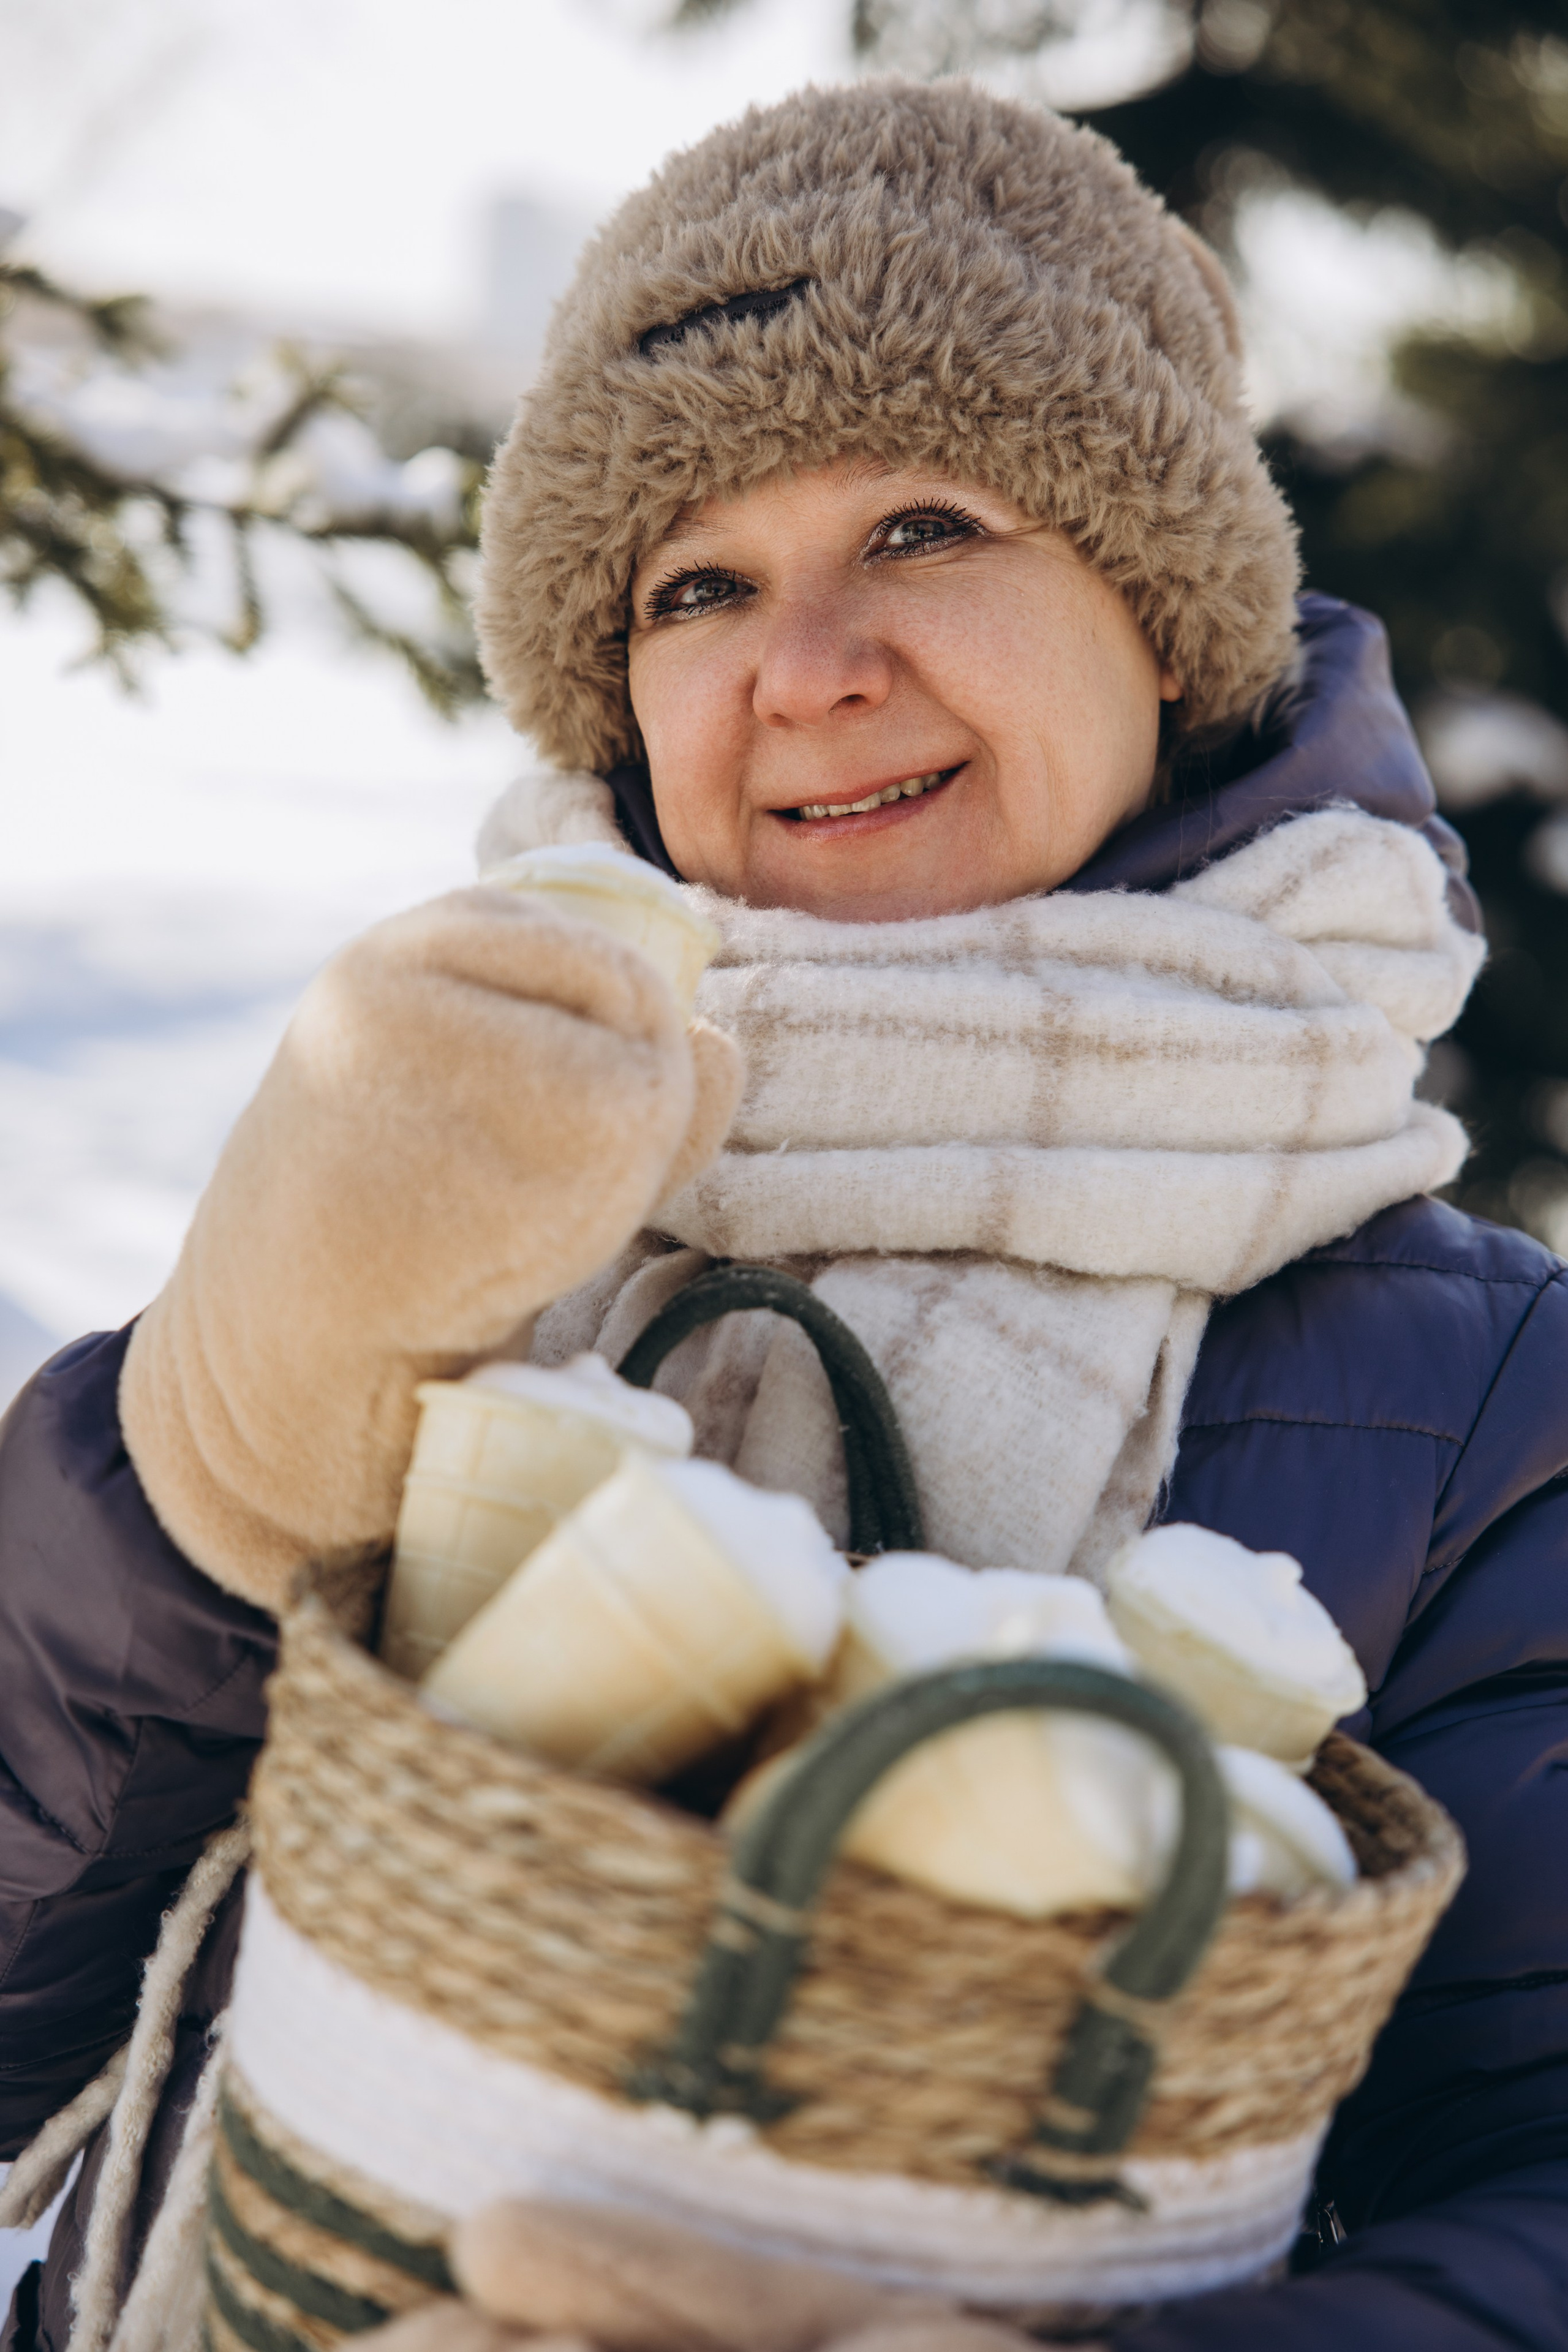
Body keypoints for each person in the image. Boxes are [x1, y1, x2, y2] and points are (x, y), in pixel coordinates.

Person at [2, 75, 1566, 2352]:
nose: (808, 667)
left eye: (925, 526)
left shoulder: (1479, 1398)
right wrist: (200, 1456)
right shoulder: (452, 1171)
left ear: (1165, 616)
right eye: (700, 585)